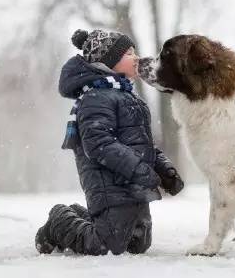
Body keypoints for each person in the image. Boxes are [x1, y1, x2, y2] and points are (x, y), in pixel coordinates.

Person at [35, 29, 184, 256]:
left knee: (139, 243)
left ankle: (84, 216)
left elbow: (142, 144)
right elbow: (98, 144)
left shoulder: (130, 98)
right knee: (106, 245)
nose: (136, 57)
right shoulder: (95, 98)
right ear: (107, 62)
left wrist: (165, 170)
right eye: (128, 53)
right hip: (108, 183)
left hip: (134, 185)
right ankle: (59, 221)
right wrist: (138, 170)